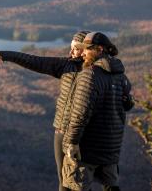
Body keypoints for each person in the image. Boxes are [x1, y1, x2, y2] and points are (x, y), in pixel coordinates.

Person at [0, 31, 90, 191]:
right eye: (70, 47)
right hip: (60, 131)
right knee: (63, 180)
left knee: (81, 181)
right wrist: (9, 55)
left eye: (75, 48)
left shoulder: (97, 72)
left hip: (83, 134)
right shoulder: (66, 65)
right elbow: (36, 62)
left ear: (85, 49)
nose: (70, 52)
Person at [62, 32, 133, 191]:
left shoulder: (90, 74)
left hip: (87, 149)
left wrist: (72, 142)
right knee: (111, 187)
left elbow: (80, 113)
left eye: (87, 49)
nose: (84, 53)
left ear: (99, 49)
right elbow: (127, 105)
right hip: (110, 148)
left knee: (74, 186)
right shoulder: (120, 76)